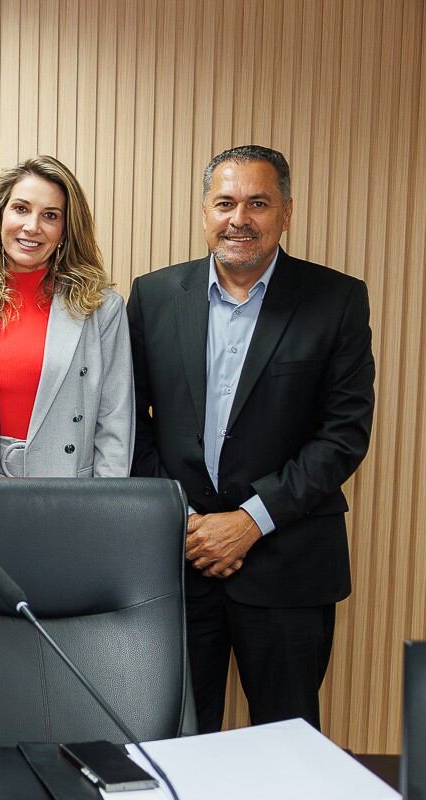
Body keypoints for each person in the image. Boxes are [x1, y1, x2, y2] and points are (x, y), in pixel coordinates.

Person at [127, 145, 375, 732]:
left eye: (258, 203)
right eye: (226, 202)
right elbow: (131, 423)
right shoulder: (154, 296)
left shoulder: (336, 300)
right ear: (205, 212)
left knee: (286, 748)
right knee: (178, 743)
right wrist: (183, 518)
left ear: (286, 212)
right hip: (177, 562)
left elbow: (342, 436)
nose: (240, 218)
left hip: (288, 562)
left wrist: (249, 520)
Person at [0, 155, 133, 477]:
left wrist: (104, 512)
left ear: (65, 229)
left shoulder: (101, 309)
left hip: (66, 495)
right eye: (21, 209)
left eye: (50, 215)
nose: (32, 226)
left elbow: (115, 423)